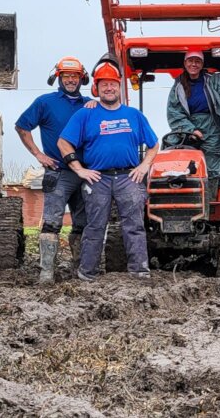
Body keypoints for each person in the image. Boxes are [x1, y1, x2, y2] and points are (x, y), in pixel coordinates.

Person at [58, 58, 160, 281]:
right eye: (104, 84)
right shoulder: (85, 114)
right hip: (98, 178)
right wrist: (79, 169)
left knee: (134, 226)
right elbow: (63, 143)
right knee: (94, 226)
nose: (109, 87)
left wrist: (144, 166)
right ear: (96, 87)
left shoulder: (134, 115)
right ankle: (87, 274)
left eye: (112, 83)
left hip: (128, 176)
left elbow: (154, 144)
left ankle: (139, 272)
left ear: (119, 86)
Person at [14, 56, 91, 284]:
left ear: (81, 79)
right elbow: (21, 126)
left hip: (85, 173)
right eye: (66, 76)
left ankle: (80, 269)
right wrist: (38, 154)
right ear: (58, 77)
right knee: (51, 223)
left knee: (83, 223)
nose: (70, 80)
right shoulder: (45, 102)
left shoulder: (89, 104)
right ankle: (46, 272)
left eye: (74, 76)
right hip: (58, 172)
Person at [166, 50, 220, 188]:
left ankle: (210, 202)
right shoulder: (178, 86)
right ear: (185, 63)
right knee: (185, 166)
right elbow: (174, 113)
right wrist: (191, 130)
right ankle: (185, 200)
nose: (194, 64)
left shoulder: (213, 79)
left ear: (202, 64)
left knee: (211, 168)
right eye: (190, 61)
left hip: (213, 128)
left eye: (197, 61)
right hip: (188, 129)